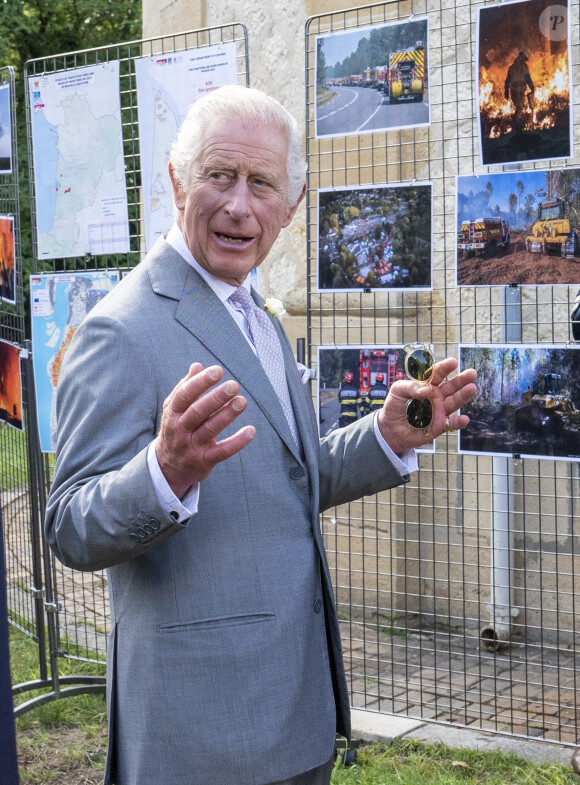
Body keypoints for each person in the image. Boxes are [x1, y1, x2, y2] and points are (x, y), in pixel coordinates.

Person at [44, 85, 477, 785]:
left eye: (262, 183)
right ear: (178, 179)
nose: (239, 205)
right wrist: (163, 472)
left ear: (292, 205)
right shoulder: (118, 330)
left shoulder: (256, 312)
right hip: (203, 736)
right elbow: (68, 525)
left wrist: (386, 435)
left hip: (293, 709)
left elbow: (280, 479)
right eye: (220, 175)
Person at [504, 50, 534, 133]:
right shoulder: (524, 66)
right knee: (520, 106)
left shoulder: (511, 67)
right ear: (523, 58)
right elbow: (527, 77)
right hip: (520, 89)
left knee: (518, 106)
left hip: (512, 89)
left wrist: (506, 91)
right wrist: (532, 88)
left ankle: (516, 123)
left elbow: (507, 80)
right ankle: (516, 125)